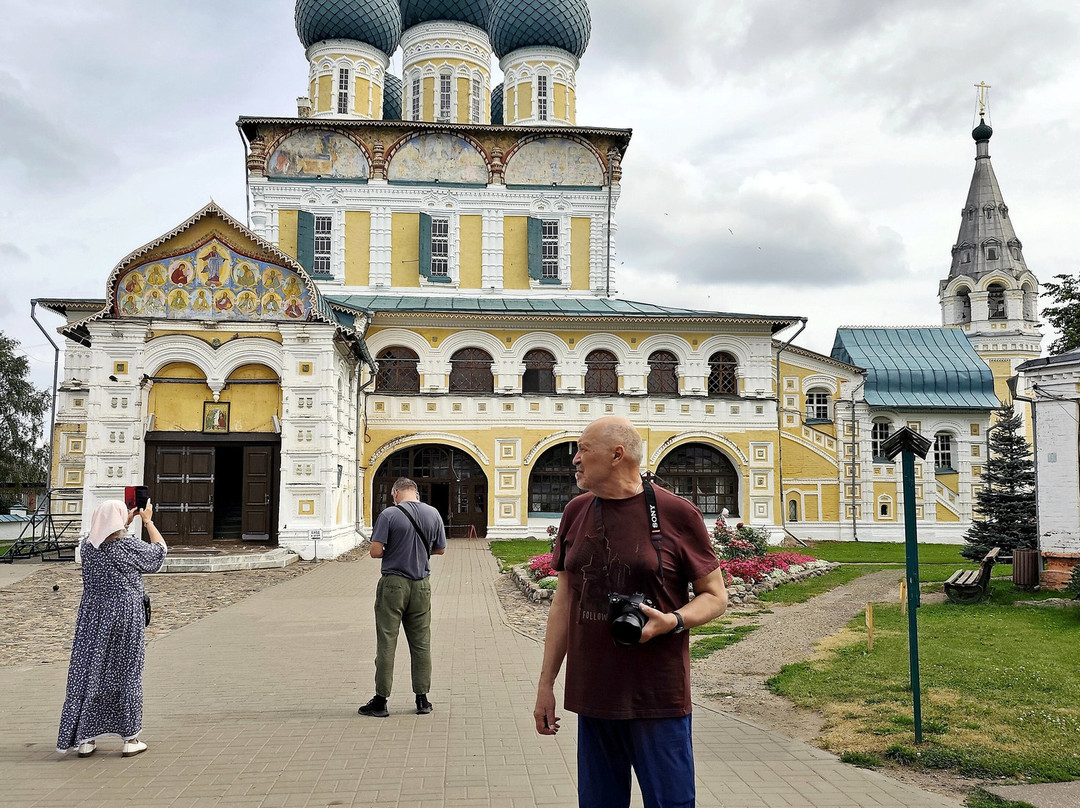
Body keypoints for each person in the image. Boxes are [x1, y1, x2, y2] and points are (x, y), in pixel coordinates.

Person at [534, 417, 728, 808]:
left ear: (617, 454)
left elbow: (715, 596)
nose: (575, 459)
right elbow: (564, 600)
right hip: (593, 693)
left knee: (670, 803)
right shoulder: (576, 511)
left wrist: (672, 621)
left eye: (584, 449)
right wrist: (546, 684)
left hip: (658, 696)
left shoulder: (677, 513)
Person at [57, 499, 168, 758]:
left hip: (92, 618)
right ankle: (130, 738)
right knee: (127, 670)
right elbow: (158, 553)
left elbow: (103, 535)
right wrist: (147, 520)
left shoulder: (87, 549)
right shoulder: (126, 546)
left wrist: (122, 522)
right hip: (125, 617)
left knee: (89, 671)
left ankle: (85, 738)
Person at [358, 477, 447, 718]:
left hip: (394, 585)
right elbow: (439, 548)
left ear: (396, 492)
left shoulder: (389, 514)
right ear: (415, 493)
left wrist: (396, 549)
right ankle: (422, 699)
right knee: (421, 643)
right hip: (421, 586)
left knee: (387, 641)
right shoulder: (433, 513)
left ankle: (381, 700)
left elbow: (375, 551)